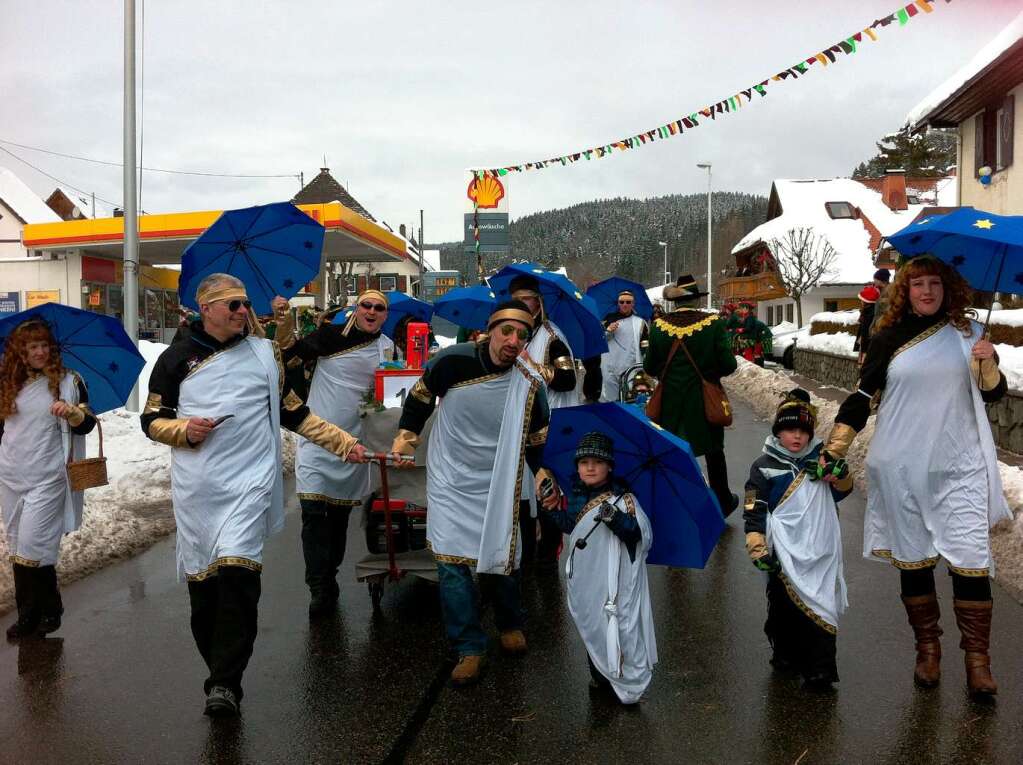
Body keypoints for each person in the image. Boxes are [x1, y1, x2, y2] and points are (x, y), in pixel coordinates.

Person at [141, 273, 369, 717]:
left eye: (245, 303)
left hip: (249, 482)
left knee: (240, 577)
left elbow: (295, 413)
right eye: (233, 305)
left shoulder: (263, 355)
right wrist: (183, 430)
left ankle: (226, 682)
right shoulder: (176, 359)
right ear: (206, 309)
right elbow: (152, 419)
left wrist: (346, 443)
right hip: (199, 489)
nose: (243, 311)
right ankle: (219, 668)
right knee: (205, 592)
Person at [822, 256, 1010, 698]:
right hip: (901, 467)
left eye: (935, 284)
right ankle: (928, 649)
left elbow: (994, 394)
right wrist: (835, 450)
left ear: (948, 290)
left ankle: (978, 662)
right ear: (905, 292)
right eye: (918, 285)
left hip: (959, 466)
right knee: (915, 562)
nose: (927, 292)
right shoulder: (887, 338)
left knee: (970, 562)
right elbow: (863, 396)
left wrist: (987, 362)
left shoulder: (972, 335)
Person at [389, 300, 550, 686]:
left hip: (499, 476)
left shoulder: (530, 381)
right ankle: (468, 646)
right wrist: (406, 436)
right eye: (506, 332)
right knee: (452, 561)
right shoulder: (452, 361)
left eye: (522, 335)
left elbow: (536, 438)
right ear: (490, 330)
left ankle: (510, 623)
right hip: (452, 474)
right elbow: (420, 398)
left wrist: (543, 471)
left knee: (501, 553)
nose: (513, 341)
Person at [273, 289, 392, 618]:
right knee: (312, 514)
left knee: (337, 519)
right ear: (357, 309)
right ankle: (319, 587)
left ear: (385, 315)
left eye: (379, 308)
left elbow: (389, 396)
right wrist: (283, 319)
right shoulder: (329, 337)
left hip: (352, 444)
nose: (371, 311)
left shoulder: (387, 348)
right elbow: (289, 353)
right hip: (316, 438)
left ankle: (330, 575)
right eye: (366, 305)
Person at [744, 389, 852, 689]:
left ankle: (820, 668)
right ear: (778, 431)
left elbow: (841, 491)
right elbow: (754, 510)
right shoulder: (763, 466)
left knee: (821, 605)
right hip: (784, 551)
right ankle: (785, 651)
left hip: (820, 550)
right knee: (783, 606)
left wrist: (838, 475)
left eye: (803, 431)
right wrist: (758, 548)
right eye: (790, 429)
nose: (797, 437)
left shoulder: (821, 462)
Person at [539, 432, 656, 703]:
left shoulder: (623, 498)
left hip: (613, 579)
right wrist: (550, 509)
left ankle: (622, 677)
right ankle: (600, 674)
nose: (590, 468)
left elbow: (638, 534)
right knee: (592, 624)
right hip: (587, 577)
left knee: (616, 623)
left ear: (610, 466)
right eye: (584, 462)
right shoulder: (577, 493)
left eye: (597, 462)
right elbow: (573, 526)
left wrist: (614, 518)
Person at [0, 319, 97, 639]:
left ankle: (37, 613)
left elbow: (87, 423)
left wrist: (72, 412)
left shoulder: (70, 382)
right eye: (33, 347)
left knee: (30, 544)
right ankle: (42, 612)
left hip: (49, 477)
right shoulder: (8, 383)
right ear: (20, 352)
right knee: (19, 546)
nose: (40, 352)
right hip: (11, 475)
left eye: (45, 346)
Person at [511, 274, 600, 564]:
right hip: (522, 426)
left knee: (546, 493)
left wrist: (534, 367)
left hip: (550, 429)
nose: (521, 306)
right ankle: (526, 555)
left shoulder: (551, 338)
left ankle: (547, 558)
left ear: (538, 304)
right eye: (516, 301)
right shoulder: (519, 334)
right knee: (522, 495)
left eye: (526, 300)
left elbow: (567, 379)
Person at [644, 275, 739, 515]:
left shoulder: (659, 326)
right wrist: (708, 374)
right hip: (704, 402)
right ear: (696, 300)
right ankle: (723, 502)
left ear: (675, 303)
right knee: (714, 453)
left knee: (671, 452)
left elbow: (649, 367)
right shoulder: (713, 324)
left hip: (670, 404)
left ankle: (673, 502)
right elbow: (728, 365)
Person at [600, 290, 649, 402]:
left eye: (628, 302)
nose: (625, 305)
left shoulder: (640, 323)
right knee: (611, 402)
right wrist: (608, 330)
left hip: (630, 367)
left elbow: (645, 347)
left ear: (633, 304)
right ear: (618, 303)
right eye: (622, 302)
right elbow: (599, 341)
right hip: (609, 367)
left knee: (630, 400)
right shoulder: (607, 319)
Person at [732, 301, 772, 367]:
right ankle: (754, 366)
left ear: (747, 308)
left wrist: (741, 331)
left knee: (756, 352)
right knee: (754, 352)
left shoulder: (749, 317)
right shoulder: (748, 317)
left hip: (762, 335)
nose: (741, 310)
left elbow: (748, 329)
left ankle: (754, 367)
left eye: (742, 308)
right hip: (757, 335)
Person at [853, 284, 881, 365]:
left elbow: (865, 331)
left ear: (866, 301)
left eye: (862, 300)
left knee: (866, 367)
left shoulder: (869, 314)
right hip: (866, 345)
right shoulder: (867, 311)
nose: (861, 302)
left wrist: (864, 349)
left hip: (868, 346)